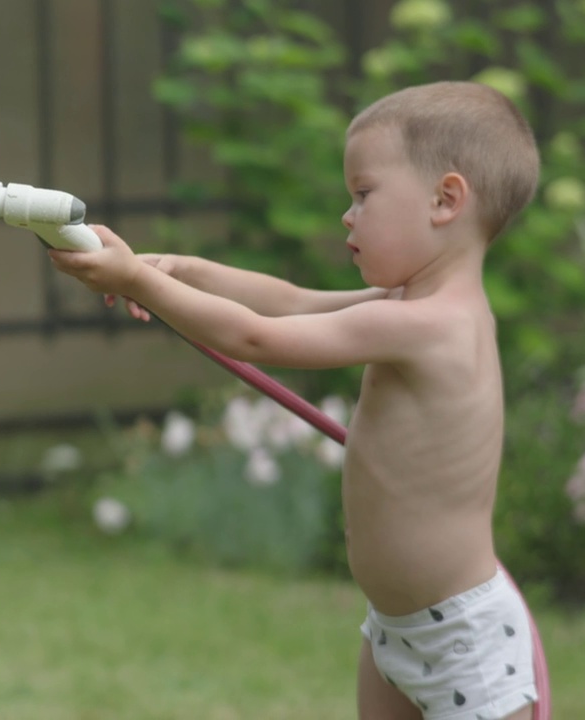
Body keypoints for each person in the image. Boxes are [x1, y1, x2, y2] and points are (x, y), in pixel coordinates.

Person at [49, 81, 541, 720]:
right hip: (395, 626)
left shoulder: (434, 325)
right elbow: (289, 299)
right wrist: (181, 269)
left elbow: (259, 335)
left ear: (445, 200)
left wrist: (138, 279)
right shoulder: (405, 305)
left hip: (461, 643)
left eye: (363, 194)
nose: (348, 214)